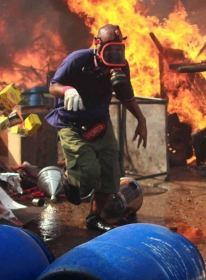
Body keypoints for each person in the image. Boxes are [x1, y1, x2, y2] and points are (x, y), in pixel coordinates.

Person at [46, 24, 148, 232]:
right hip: (71, 124)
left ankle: (94, 217)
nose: (115, 54)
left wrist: (141, 120)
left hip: (100, 123)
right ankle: (70, 178)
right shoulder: (78, 60)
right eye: (110, 49)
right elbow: (53, 86)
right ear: (97, 44)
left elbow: (125, 95)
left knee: (111, 174)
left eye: (119, 49)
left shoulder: (120, 67)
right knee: (90, 171)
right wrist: (67, 91)